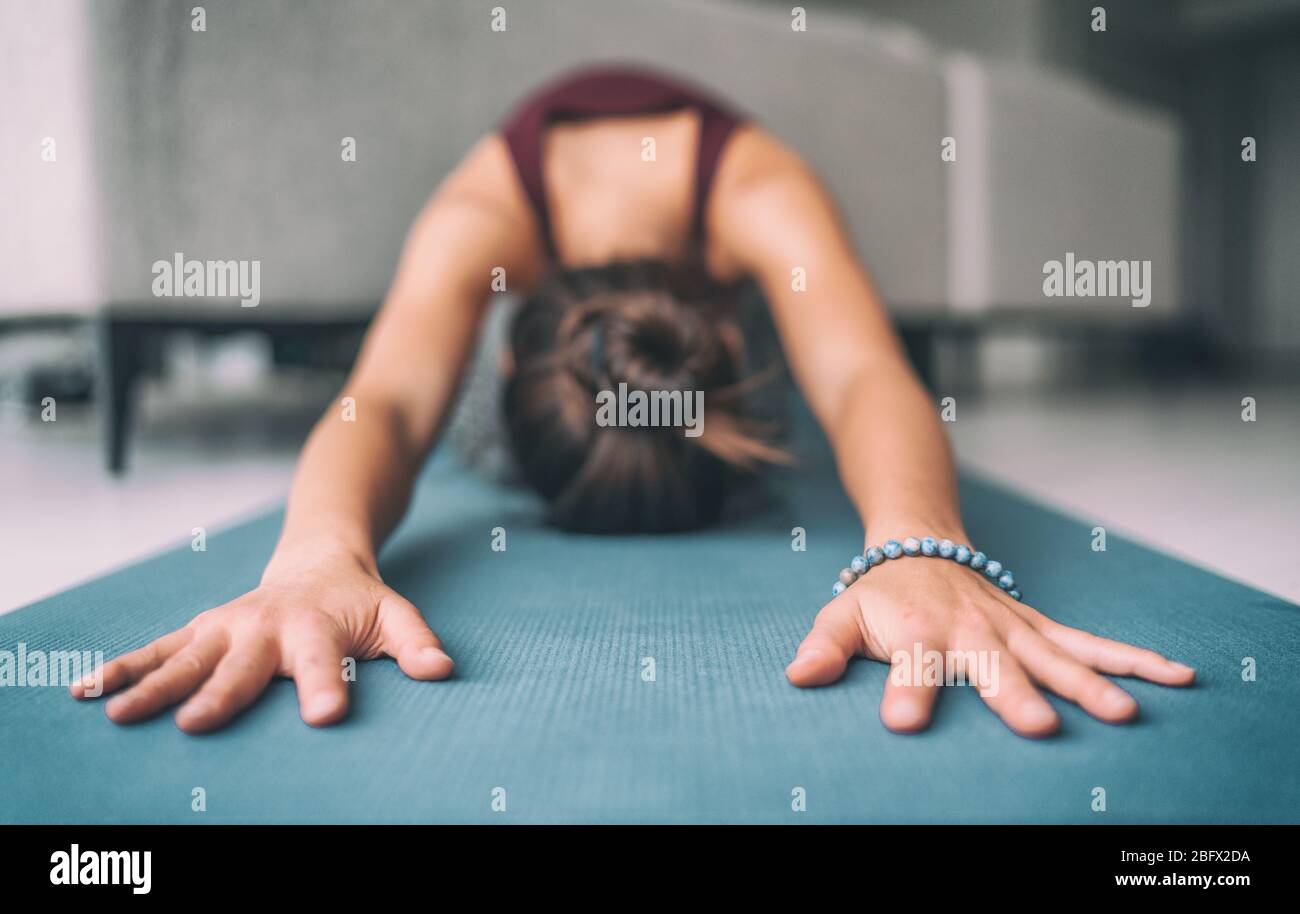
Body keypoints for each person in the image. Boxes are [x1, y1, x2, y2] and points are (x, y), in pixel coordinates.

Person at [70, 65, 1195, 736]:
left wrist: (922, 541)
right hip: (530, 336)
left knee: (749, 410)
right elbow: (390, 401)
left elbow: (858, 373)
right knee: (456, 398)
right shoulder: (479, 222)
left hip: (693, 337)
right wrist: (317, 555)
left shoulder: (757, 194)